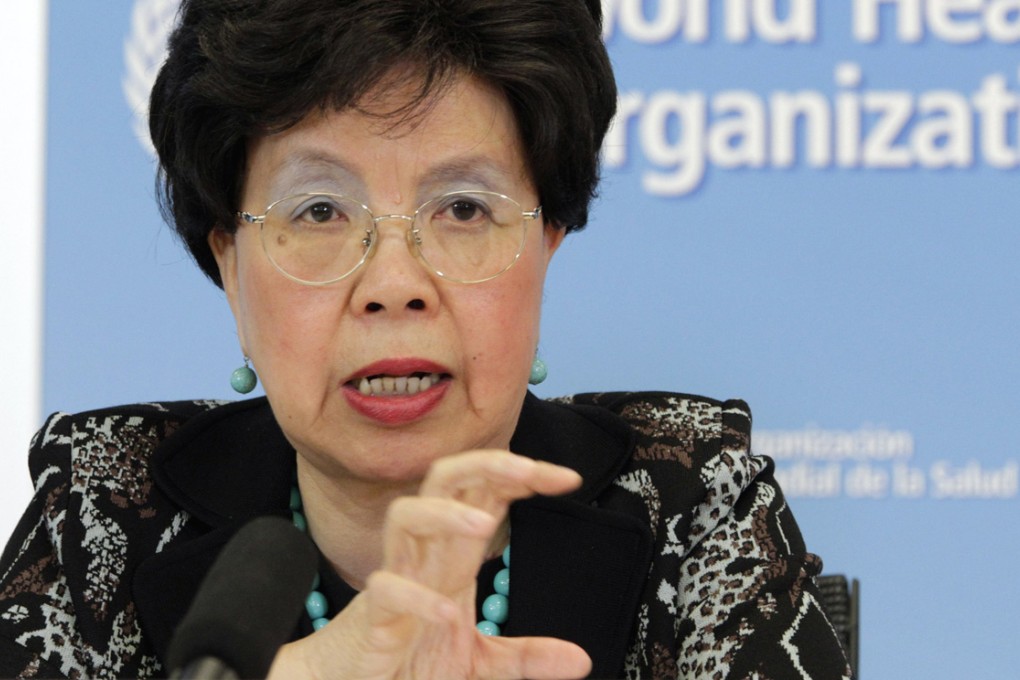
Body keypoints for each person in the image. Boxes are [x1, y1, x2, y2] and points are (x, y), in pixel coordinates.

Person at [0, 0, 853, 678]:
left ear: (547, 241)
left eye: (462, 209)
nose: (394, 284)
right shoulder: (101, 509)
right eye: (320, 211)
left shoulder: (692, 501)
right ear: (230, 261)